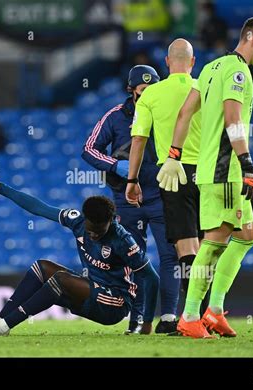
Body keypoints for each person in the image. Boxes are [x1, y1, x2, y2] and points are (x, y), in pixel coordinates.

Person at [159, 17, 253, 338]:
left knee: (246, 234)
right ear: (252, 39)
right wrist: (247, 162)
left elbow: (185, 113)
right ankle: (189, 316)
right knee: (214, 242)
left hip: (220, 170)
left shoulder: (210, 69)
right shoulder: (238, 72)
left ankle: (213, 311)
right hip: (225, 171)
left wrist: (174, 155)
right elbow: (232, 117)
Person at [0, 183, 159, 336]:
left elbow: (150, 278)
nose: (94, 236)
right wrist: (0, 187)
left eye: (99, 232)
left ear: (112, 221)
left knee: (61, 280)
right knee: (42, 267)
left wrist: (144, 321)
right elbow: (38, 208)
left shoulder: (123, 240)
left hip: (114, 303)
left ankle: (3, 327)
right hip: (92, 290)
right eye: (90, 231)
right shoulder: (77, 221)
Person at [82, 65, 179, 335]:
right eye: (142, 91)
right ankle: (136, 321)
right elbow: (88, 149)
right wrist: (115, 165)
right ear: (131, 91)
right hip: (126, 199)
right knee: (132, 259)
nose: (147, 96)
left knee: (169, 256)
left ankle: (169, 316)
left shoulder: (167, 113)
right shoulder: (114, 117)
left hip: (163, 195)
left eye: (152, 90)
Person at [126, 39, 204, 325]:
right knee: (209, 246)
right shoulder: (204, 88)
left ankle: (195, 316)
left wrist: (132, 179)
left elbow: (138, 140)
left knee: (186, 248)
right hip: (208, 173)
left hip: (173, 173)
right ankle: (208, 313)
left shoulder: (151, 95)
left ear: (168, 63)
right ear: (192, 62)